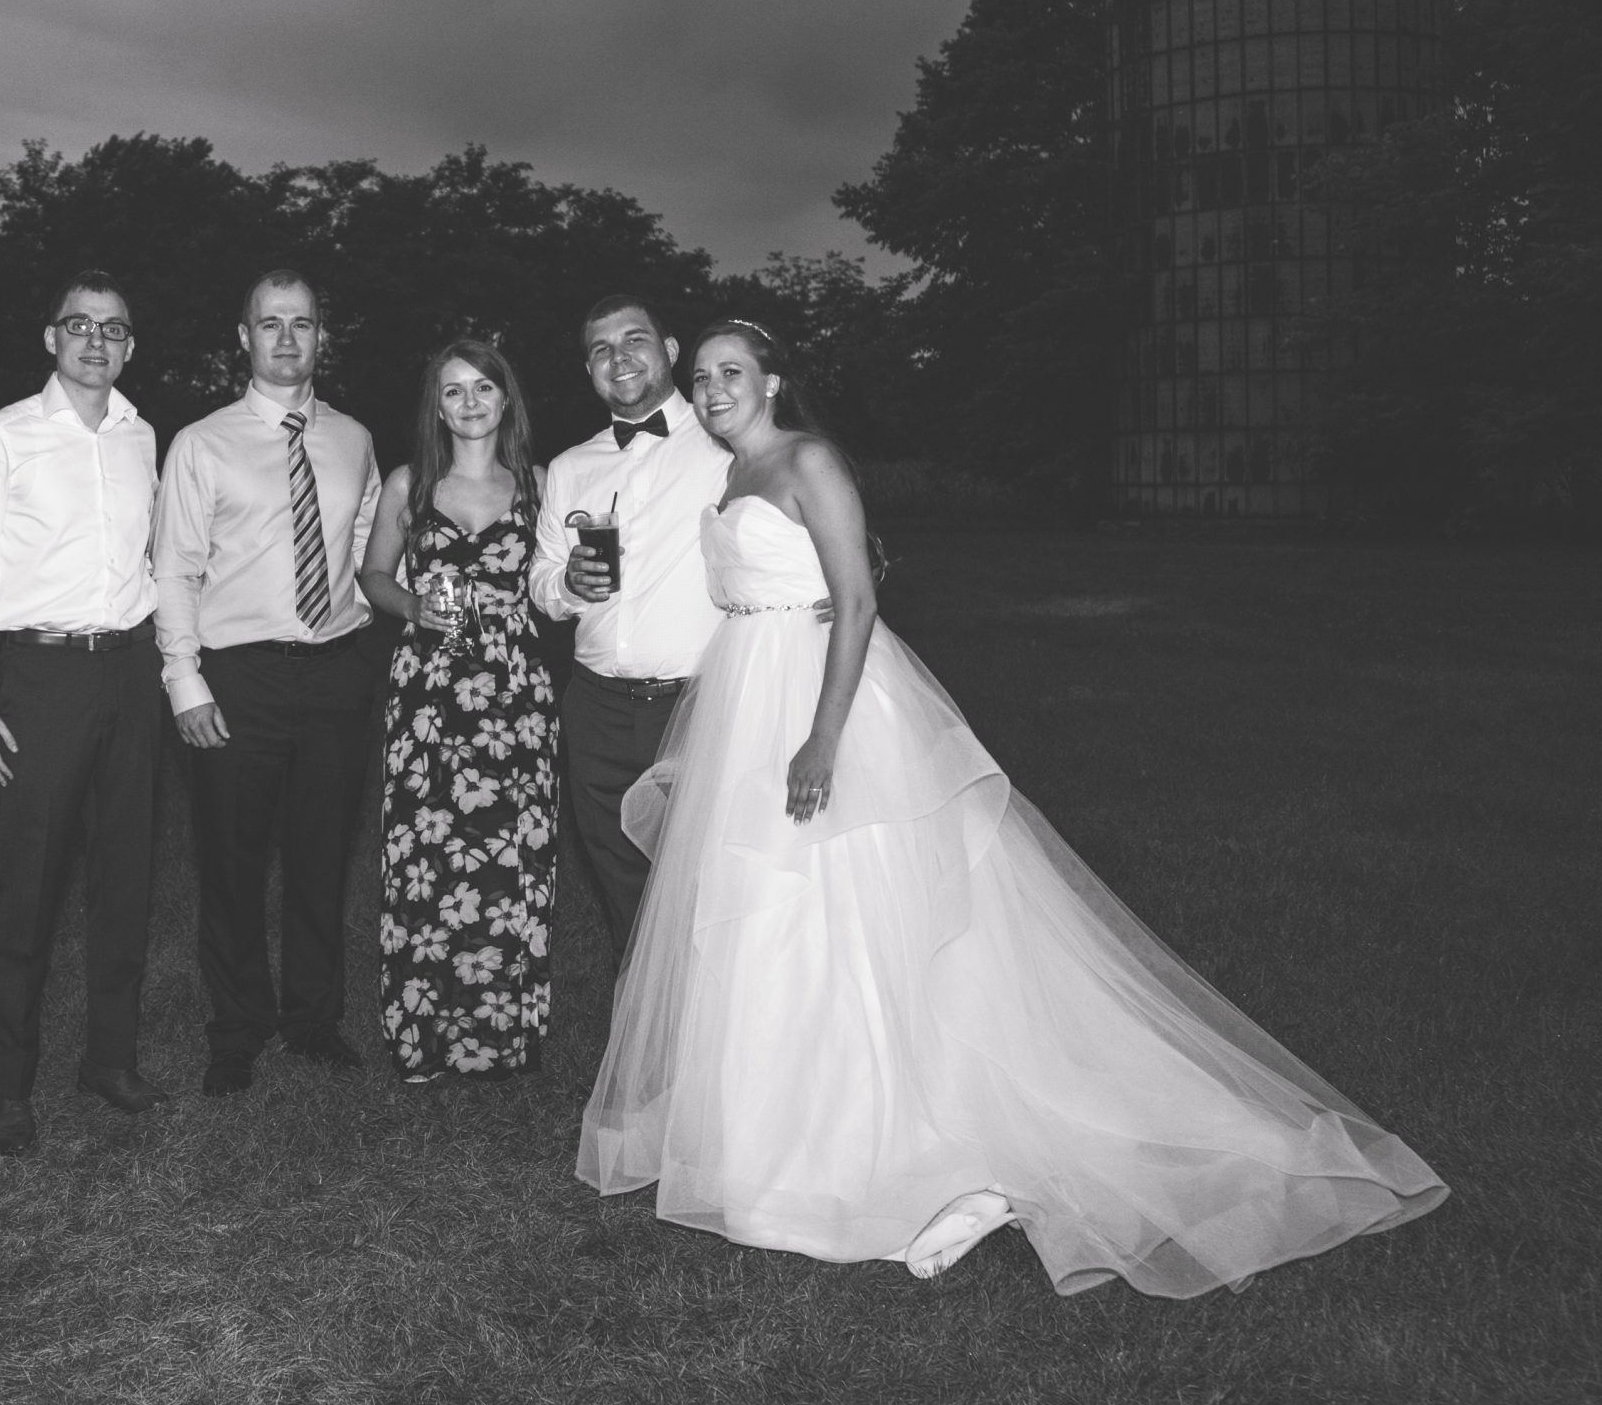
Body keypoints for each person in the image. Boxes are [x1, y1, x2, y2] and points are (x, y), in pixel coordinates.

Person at [576, 319, 1448, 1296]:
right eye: (702, 375)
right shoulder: (729, 473)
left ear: (772, 381)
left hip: (821, 703)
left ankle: (881, 1144)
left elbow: (855, 600)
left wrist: (821, 738)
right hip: (747, 695)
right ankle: (768, 1142)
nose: (712, 387)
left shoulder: (807, 458)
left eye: (731, 371)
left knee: (836, 911)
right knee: (764, 919)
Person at [0, 273, 170, 1154]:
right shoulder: (2, 436)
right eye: (80, 325)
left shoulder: (142, 435)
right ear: (51, 337)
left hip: (131, 670)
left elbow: (151, 561)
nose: (96, 341)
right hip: (40, 677)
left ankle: (110, 1059)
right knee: (27, 889)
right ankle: (9, 1087)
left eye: (113, 328)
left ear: (130, 346)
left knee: (125, 879)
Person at [154, 271, 382, 1098]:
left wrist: (368, 619)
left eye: (303, 323)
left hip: (336, 670)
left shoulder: (354, 439)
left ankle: (314, 1019)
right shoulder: (201, 443)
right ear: (244, 337)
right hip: (238, 675)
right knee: (232, 860)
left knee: (323, 855)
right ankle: (238, 1027)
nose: (287, 338)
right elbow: (174, 567)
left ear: (323, 335)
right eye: (271, 323)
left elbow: (369, 540)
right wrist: (184, 678)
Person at [358, 342, 559, 1081]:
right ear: (437, 407)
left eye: (483, 388)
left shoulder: (540, 484)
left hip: (516, 691)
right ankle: (425, 1036)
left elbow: (563, 583)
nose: (470, 402)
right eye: (453, 391)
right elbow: (373, 574)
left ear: (505, 400)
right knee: (427, 854)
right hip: (430, 689)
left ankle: (505, 1036)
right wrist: (412, 605)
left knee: (513, 852)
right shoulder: (409, 483)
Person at [529, 295, 732, 952]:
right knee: (623, 880)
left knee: (710, 881)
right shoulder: (570, 467)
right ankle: (641, 1006)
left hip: (697, 705)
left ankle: (712, 1010)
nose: (618, 358)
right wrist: (566, 583)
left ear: (670, 350)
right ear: (588, 370)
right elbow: (540, 581)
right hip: (595, 709)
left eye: (634, 340)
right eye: (601, 349)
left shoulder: (725, 446)